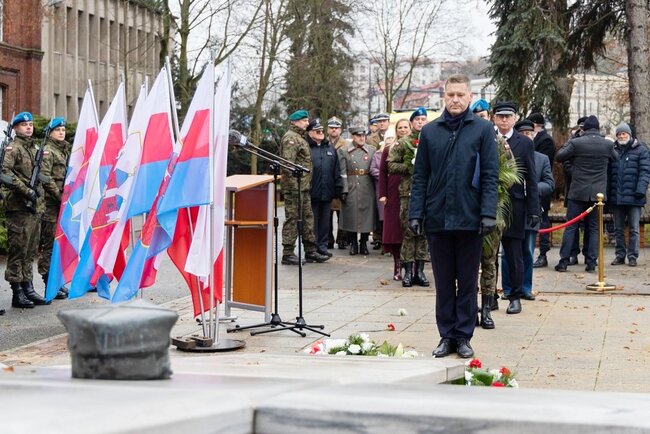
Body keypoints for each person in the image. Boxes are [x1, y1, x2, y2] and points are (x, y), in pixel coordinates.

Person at [409, 74, 499, 358]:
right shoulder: (430, 131)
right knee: (444, 282)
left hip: (470, 217)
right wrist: (416, 212)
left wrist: (488, 212)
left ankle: (463, 336)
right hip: (437, 218)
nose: (456, 100)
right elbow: (420, 176)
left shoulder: (483, 129)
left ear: (469, 97)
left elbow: (490, 173)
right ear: (444, 97)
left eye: (461, 95)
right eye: (451, 95)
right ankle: (446, 335)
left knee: (468, 280)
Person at [492, 102, 539, 316]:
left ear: (514, 118)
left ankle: (515, 296)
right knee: (489, 255)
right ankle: (490, 295)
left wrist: (534, 210)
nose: (504, 120)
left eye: (508, 116)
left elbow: (531, 178)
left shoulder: (524, 142)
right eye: (500, 116)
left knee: (514, 254)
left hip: (515, 205)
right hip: (491, 204)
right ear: (494, 118)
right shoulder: (487, 138)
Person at [555, 115, 617, 272]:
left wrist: (570, 144)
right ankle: (591, 262)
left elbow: (559, 157)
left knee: (571, 226)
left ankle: (564, 261)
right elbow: (616, 159)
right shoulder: (607, 144)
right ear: (598, 128)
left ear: (584, 129)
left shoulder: (577, 143)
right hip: (598, 194)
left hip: (578, 191)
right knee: (594, 228)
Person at [502, 120, 554, 301]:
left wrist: (531, 188)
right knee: (508, 253)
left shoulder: (541, 158)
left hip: (531, 208)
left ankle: (525, 287)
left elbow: (549, 184)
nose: (527, 137)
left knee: (527, 251)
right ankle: (508, 288)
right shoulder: (507, 154)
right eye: (523, 134)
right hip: (512, 209)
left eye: (530, 134)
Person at [2, 112, 48, 308]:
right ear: (15, 128)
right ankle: (17, 292)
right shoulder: (13, 148)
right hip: (19, 207)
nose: (29, 127)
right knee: (18, 251)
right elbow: (4, 172)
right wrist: (26, 190)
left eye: (30, 124)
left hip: (34, 208)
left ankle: (28, 287)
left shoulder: (34, 147)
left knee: (30, 250)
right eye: (24, 125)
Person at [279, 110, 329, 265]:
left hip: (304, 186)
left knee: (307, 218)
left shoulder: (300, 137)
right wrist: (294, 186)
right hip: (295, 187)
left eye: (307, 120)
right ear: (295, 122)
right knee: (293, 218)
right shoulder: (291, 138)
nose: (307, 123)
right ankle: (288, 252)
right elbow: (288, 164)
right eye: (304, 120)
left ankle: (310, 251)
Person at [388, 107, 430, 287]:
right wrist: (409, 167)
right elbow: (390, 165)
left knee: (424, 232)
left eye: (423, 119)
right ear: (412, 122)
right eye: (417, 119)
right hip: (408, 193)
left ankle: (420, 271)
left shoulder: (431, 140)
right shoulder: (403, 143)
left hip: (428, 193)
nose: (420, 122)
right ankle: (407, 271)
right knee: (409, 230)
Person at [608, 121, 650, 267]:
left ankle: (632, 256)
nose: (621, 136)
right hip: (616, 197)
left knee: (634, 228)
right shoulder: (612, 150)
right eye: (619, 134)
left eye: (624, 133)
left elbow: (645, 172)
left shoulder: (641, 150)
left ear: (629, 135)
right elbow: (609, 173)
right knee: (618, 229)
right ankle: (620, 255)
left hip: (634, 197)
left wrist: (640, 190)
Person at [38, 117, 71, 300]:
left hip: (62, 203)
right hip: (51, 204)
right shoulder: (48, 151)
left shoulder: (63, 150)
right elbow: (45, 177)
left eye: (63, 130)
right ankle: (48, 283)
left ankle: (57, 281)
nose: (61, 132)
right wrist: (60, 196)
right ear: (50, 132)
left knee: (60, 244)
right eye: (58, 130)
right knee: (50, 244)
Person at [378, 120, 409, 280]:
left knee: (409, 230)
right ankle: (398, 265)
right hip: (393, 191)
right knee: (395, 230)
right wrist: (383, 194)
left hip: (410, 190)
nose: (403, 130)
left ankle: (411, 266)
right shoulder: (389, 149)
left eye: (405, 127)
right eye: (400, 128)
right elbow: (383, 172)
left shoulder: (415, 147)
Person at [307, 118, 343, 258]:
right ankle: (312, 248)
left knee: (325, 221)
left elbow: (336, 170)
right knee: (312, 222)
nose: (321, 133)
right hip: (312, 192)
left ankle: (322, 246)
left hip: (327, 191)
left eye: (322, 131)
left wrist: (338, 188)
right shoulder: (307, 148)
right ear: (310, 133)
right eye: (317, 131)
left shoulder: (330, 148)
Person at [339, 125, 376, 255]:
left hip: (367, 185)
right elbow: (342, 172)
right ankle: (353, 243)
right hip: (351, 184)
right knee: (351, 216)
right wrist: (344, 190)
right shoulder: (344, 151)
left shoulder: (372, 150)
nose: (361, 138)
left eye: (363, 135)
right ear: (353, 136)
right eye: (358, 136)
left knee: (367, 216)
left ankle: (364, 242)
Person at [528, 112, 556, 268]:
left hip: (540, 189)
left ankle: (543, 253)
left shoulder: (546, 141)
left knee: (543, 220)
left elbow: (542, 164)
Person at [326, 116, 350, 250]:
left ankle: (342, 239)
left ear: (340, 130)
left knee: (343, 213)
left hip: (341, 180)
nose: (334, 130)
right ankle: (328, 239)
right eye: (331, 128)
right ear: (327, 129)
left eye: (336, 128)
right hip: (327, 181)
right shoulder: (323, 142)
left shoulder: (346, 144)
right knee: (327, 213)